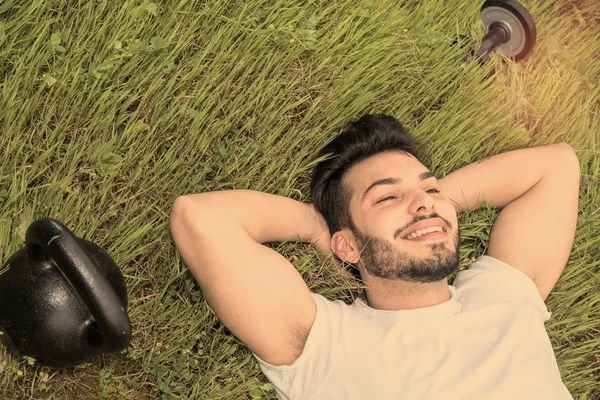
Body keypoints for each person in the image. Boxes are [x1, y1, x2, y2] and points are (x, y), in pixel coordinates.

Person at [169, 114, 580, 399]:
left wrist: (433, 206)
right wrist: (318, 228)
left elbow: (557, 165)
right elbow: (200, 218)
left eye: (430, 188)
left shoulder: (504, 295)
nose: (423, 201)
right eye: (386, 196)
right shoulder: (327, 345)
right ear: (347, 245)